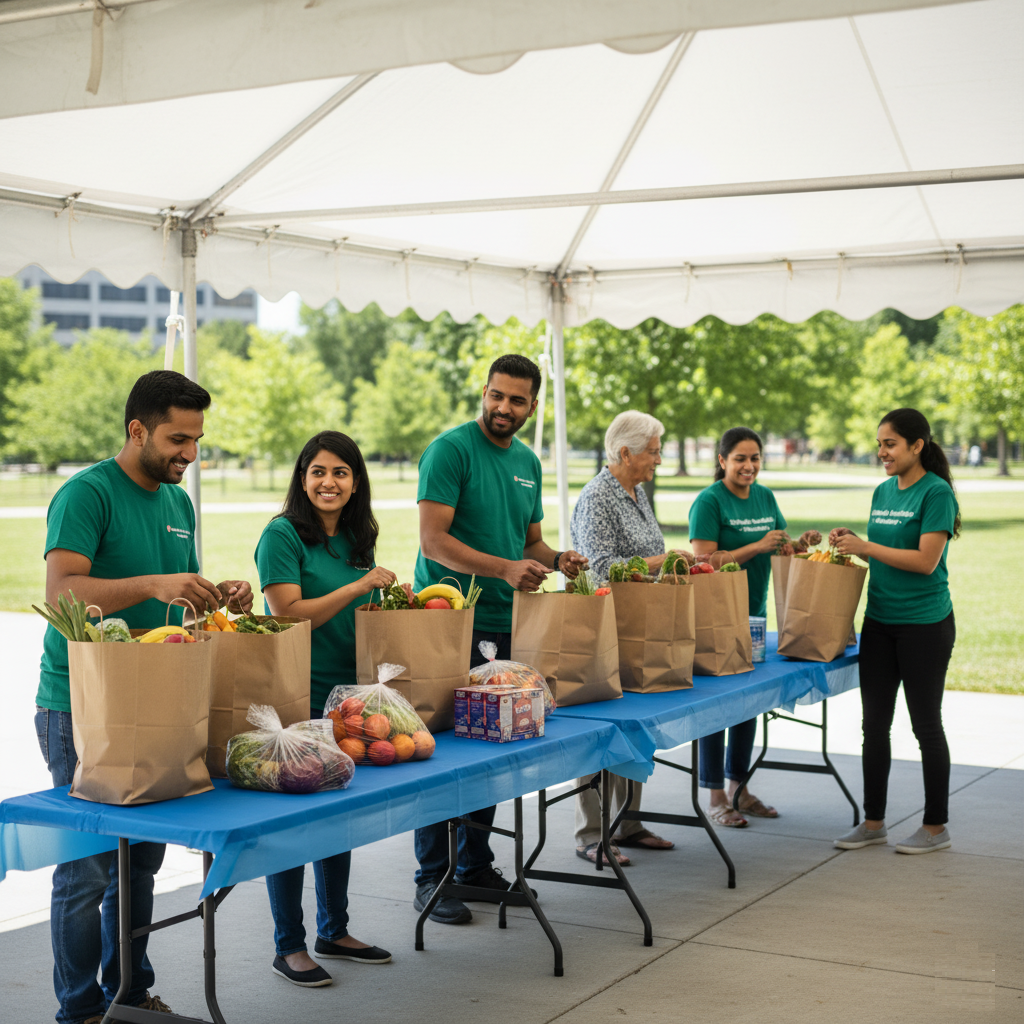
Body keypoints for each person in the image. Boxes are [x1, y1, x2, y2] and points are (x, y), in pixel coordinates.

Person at [34, 370, 253, 1024]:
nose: (191, 453)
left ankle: (129, 996)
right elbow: (62, 591)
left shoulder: (178, 503)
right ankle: (80, 1011)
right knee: (90, 868)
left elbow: (176, 602)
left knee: (141, 865)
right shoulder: (87, 493)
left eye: (197, 439)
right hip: (83, 705)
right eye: (178, 439)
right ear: (137, 430)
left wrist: (218, 596)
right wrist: (156, 581)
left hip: (157, 699)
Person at [412, 353, 587, 924]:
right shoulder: (450, 451)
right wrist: (504, 569)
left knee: (493, 748)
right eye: (496, 395)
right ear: (483, 392)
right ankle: (431, 878)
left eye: (516, 400)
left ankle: (475, 865)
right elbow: (434, 542)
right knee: (443, 753)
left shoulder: (528, 462)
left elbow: (528, 542)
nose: (503, 407)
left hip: (507, 626)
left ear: (532, 406)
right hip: (449, 624)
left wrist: (556, 559)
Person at [255, 431, 394, 985]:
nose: (328, 482)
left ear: (355, 481)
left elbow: (362, 614)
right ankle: (288, 946)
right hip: (298, 696)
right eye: (318, 471)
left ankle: (334, 930)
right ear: (302, 478)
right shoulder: (282, 534)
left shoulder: (359, 537)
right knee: (293, 823)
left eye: (340, 472)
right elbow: (288, 614)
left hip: (347, 701)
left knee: (338, 816)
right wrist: (360, 587)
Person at [831, 408, 960, 855]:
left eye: (890, 444)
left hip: (924, 625)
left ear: (917, 446)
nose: (882, 452)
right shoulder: (883, 491)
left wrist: (867, 545)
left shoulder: (936, 492)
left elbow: (925, 561)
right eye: (880, 444)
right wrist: (853, 543)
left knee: (926, 726)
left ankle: (935, 827)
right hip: (880, 622)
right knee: (874, 726)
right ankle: (873, 824)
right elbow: (885, 550)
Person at [568, 410, 682, 864]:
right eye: (653, 451)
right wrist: (658, 562)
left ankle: (628, 824)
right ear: (625, 452)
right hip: (603, 630)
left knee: (635, 726)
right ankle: (591, 834)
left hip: (637, 627)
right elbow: (598, 568)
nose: (659, 459)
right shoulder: (598, 496)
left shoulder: (637, 492)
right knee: (602, 732)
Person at [687, 427, 805, 827]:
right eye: (740, 458)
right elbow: (702, 562)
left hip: (754, 614)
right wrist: (756, 546)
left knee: (748, 703)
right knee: (716, 706)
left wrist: (797, 544)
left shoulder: (765, 497)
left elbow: (780, 546)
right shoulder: (709, 501)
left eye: (755, 458)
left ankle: (740, 788)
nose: (749, 466)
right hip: (716, 617)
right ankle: (715, 796)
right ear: (722, 461)